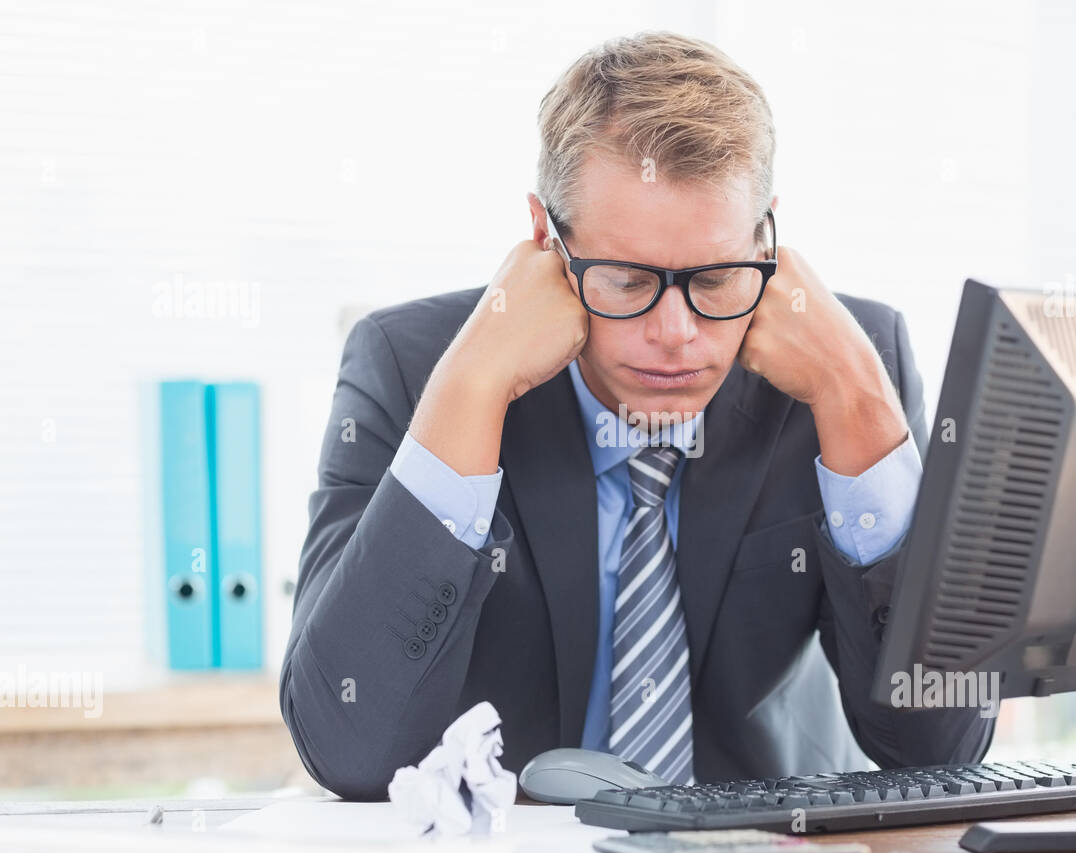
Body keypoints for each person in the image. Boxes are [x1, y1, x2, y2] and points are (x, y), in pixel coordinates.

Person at [280, 30, 994, 801]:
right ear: (544, 238)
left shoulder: (850, 366)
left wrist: (856, 395)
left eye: (717, 278)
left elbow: (940, 743)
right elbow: (344, 743)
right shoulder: (410, 365)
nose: (675, 334)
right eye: (625, 280)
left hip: (767, 852)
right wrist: (473, 388)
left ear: (768, 239)